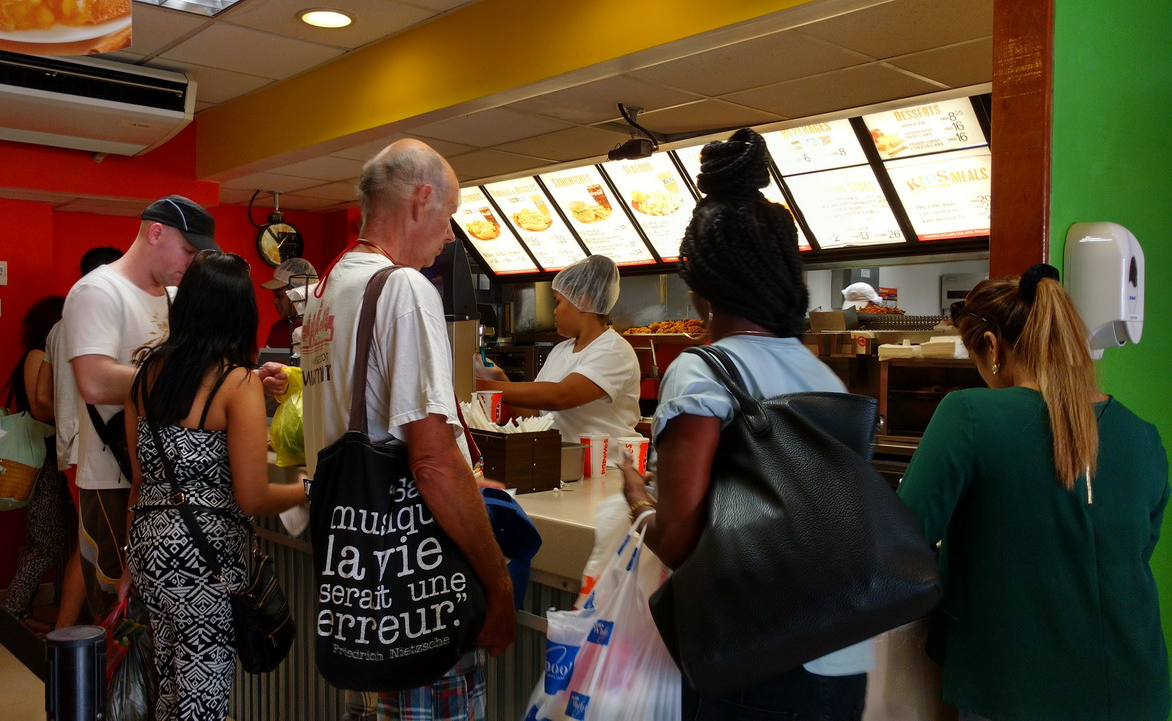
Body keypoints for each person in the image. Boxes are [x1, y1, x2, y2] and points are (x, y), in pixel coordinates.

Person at [620, 127, 873, 721]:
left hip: (757, 657)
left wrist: (638, 502)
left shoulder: (703, 371)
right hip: (842, 655)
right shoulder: (821, 374)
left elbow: (680, 541)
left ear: (703, 283)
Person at [299, 139, 516, 720]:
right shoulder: (405, 290)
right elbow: (431, 462)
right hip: (412, 586)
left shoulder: (325, 294)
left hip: (357, 583)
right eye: (449, 219)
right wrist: (498, 589)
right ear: (423, 200)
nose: (449, 237)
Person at [896, 266, 1170, 721]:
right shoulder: (1144, 436)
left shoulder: (968, 413)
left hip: (1016, 689)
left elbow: (902, 538)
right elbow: (1131, 550)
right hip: (1134, 688)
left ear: (991, 346)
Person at [62, 195, 290, 619]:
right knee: (119, 613)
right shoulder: (98, 290)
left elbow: (197, 374)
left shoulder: (173, 296)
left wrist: (238, 384)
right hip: (115, 475)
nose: (191, 262)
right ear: (155, 233)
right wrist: (221, 386)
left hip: (171, 486)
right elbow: (93, 382)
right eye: (188, 250)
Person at [121, 250, 307, 721]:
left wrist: (130, 563)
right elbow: (254, 496)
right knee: (203, 699)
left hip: (149, 550)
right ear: (239, 312)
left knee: (169, 687)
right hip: (204, 560)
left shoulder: (146, 374)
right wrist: (311, 488)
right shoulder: (235, 382)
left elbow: (141, 479)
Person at [475, 255, 640, 456]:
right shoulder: (561, 350)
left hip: (607, 470)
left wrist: (477, 385)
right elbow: (536, 414)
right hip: (562, 466)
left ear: (582, 300)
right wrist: (499, 379)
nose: (554, 311)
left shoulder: (613, 350)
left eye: (558, 301)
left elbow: (561, 396)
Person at [40, 245, 123, 629]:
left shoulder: (58, 328)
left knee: (87, 539)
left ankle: (74, 628)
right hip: (92, 448)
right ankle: (71, 631)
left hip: (69, 443)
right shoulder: (107, 320)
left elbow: (43, 395)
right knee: (90, 543)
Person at [0, 296, 75, 633]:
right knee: (44, 540)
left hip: (48, 453)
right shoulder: (37, 356)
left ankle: (27, 609)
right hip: (39, 454)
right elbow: (39, 407)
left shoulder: (42, 355)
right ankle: (11, 613)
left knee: (52, 537)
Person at [260, 256, 317, 351]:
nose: (275, 301)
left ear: (300, 293)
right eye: (274, 296)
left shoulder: (316, 329)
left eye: (279, 296)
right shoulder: (277, 328)